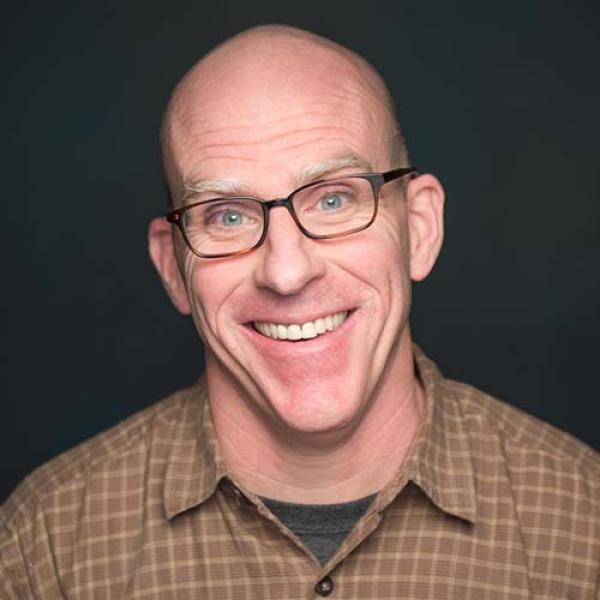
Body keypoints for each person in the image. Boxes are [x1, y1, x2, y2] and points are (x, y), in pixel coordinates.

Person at [1, 24, 598, 599]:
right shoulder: (45, 547)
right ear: (172, 266)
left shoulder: (584, 529)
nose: (286, 272)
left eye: (335, 199)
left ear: (420, 228)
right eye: (227, 215)